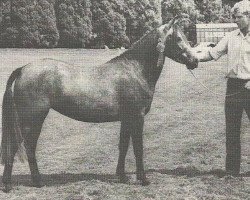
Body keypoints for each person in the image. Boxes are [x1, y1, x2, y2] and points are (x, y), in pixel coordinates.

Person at [193, 0, 250, 176]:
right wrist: (192, 58)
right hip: (233, 87)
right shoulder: (230, 36)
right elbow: (212, 53)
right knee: (232, 130)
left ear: (249, 16)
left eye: (239, 17)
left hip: (249, 86)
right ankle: (232, 170)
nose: (235, 20)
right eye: (234, 17)